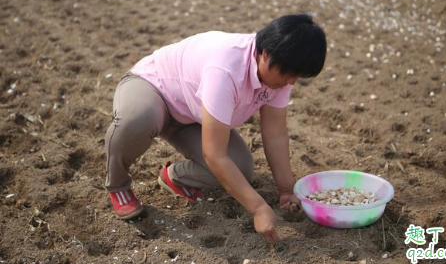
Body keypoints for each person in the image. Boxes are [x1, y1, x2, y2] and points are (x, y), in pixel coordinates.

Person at [104, 13, 327, 243]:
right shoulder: (225, 68)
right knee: (136, 120)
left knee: (240, 168)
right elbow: (214, 154)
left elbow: (275, 135)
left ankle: (174, 177)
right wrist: (258, 208)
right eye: (289, 74)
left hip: (193, 115)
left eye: (297, 77)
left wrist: (286, 190)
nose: (291, 82)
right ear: (266, 53)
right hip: (154, 89)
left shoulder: (279, 75)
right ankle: (118, 183)